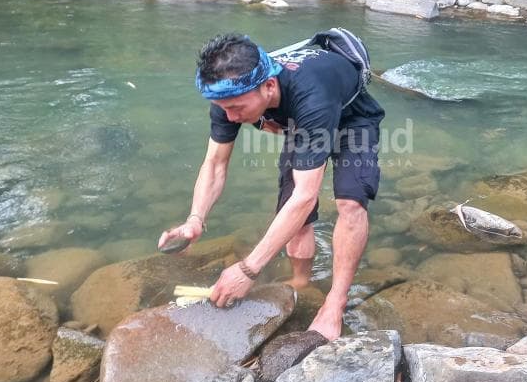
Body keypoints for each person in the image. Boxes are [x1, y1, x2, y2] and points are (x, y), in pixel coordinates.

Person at [158, 32, 384, 340]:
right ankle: (301, 281)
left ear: (269, 86)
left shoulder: (311, 95)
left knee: (350, 202)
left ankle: (334, 303)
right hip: (300, 124)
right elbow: (214, 164)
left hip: (351, 120)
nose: (230, 116)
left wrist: (248, 270)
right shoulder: (228, 95)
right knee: (292, 210)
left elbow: (306, 196)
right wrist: (195, 220)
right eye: (222, 108)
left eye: (236, 108)